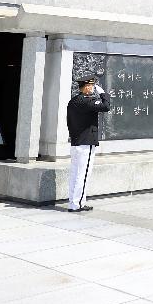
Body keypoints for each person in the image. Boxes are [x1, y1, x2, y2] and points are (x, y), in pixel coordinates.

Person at [66, 73, 111, 212]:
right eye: (91, 86)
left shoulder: (74, 101)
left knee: (75, 174)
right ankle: (78, 204)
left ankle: (73, 202)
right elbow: (106, 106)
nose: (93, 89)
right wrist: (104, 94)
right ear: (85, 87)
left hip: (77, 143)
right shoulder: (86, 102)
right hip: (85, 144)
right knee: (83, 175)